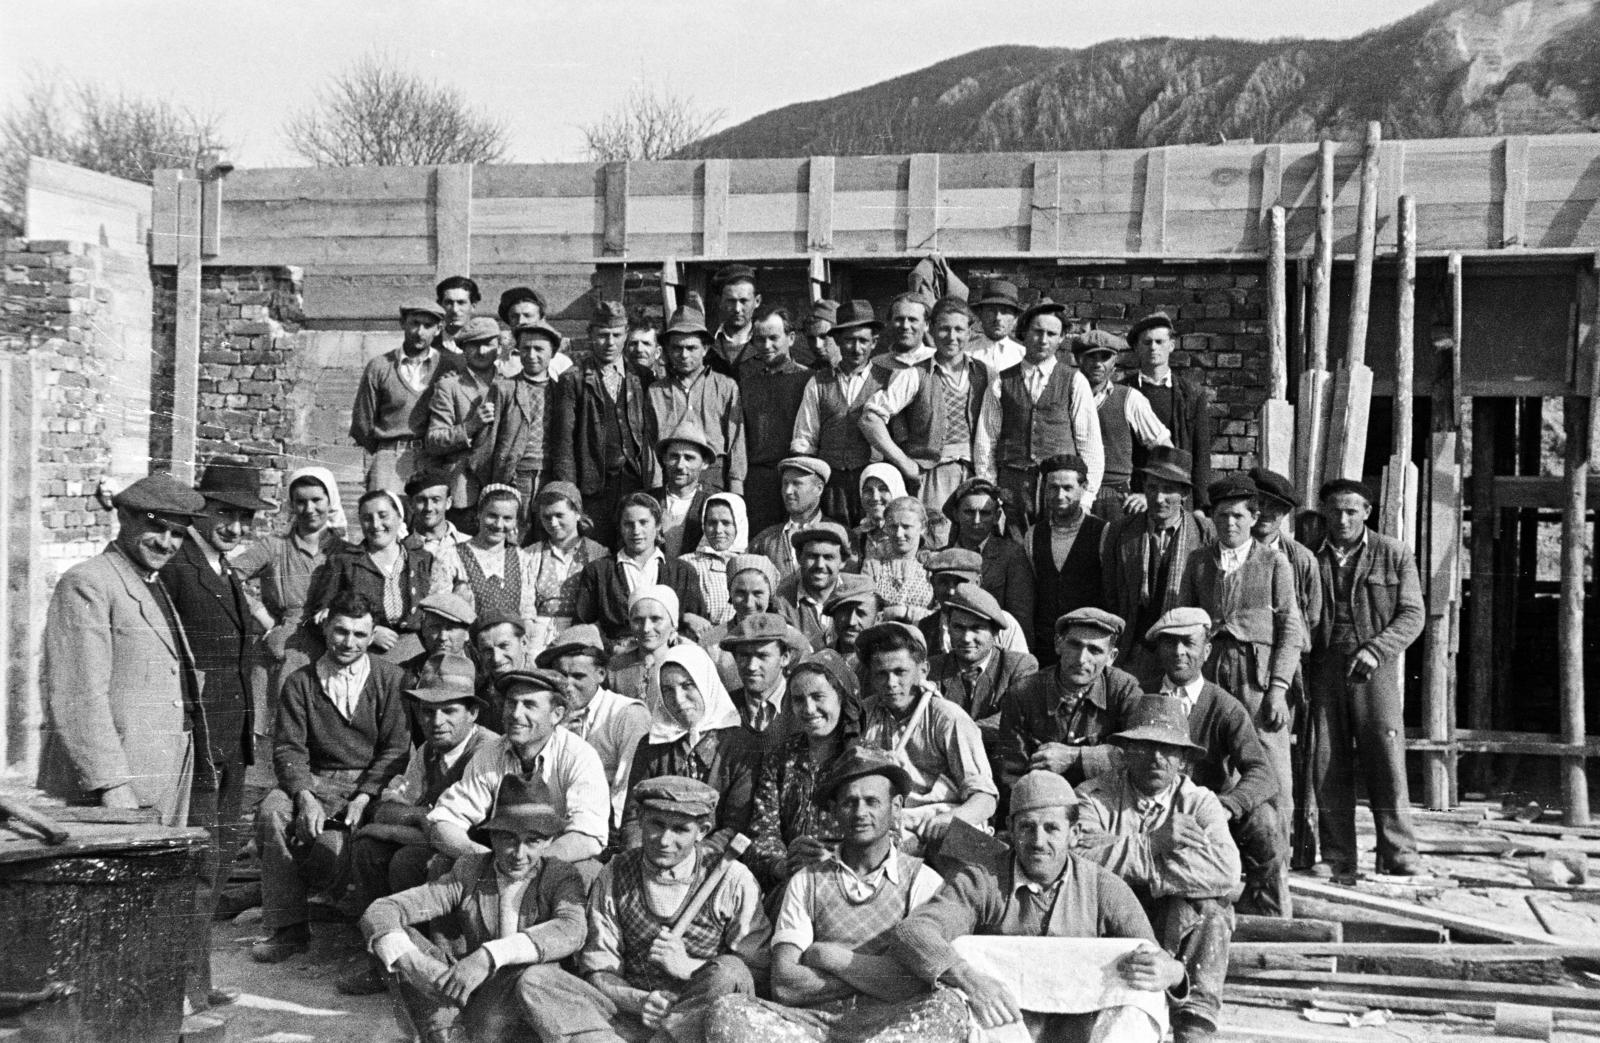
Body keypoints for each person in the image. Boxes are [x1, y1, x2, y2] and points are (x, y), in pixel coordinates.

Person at [890, 770, 1185, 1043]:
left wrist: (1172, 971)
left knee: (1141, 989)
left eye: (1051, 828)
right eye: (1027, 827)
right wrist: (969, 978)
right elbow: (913, 932)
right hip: (1007, 1026)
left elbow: (1154, 956)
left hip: (1082, 1031)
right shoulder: (983, 880)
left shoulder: (1103, 887)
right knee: (959, 967)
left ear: (1075, 833)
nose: (1038, 841)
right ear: (1010, 829)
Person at [705, 747, 964, 1043]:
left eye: (872, 802)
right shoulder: (807, 880)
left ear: (896, 807)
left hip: (890, 1025)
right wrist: (881, 975)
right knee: (728, 1012)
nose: (860, 813)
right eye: (849, 802)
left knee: (949, 1009)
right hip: (812, 1026)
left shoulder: (923, 879)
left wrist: (829, 956)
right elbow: (786, 985)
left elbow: (916, 983)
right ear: (833, 810)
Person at [359, 774, 599, 1043]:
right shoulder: (471, 871)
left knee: (532, 976)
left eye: (532, 841)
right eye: (508, 838)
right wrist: (414, 964)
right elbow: (381, 910)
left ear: (548, 841)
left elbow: (570, 929)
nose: (519, 854)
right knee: (392, 940)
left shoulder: (559, 875)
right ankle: (445, 1034)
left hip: (530, 1005)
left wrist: (489, 955)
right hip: (478, 997)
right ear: (493, 837)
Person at [160, 463, 271, 1012]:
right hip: (201, 740)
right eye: (225, 513)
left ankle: (194, 983)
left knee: (219, 862)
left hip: (231, 740)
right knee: (197, 866)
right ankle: (179, 988)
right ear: (201, 509)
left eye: (244, 517)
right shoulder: (180, 567)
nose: (235, 526)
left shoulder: (224, 570)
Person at [37, 473, 208, 824]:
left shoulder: (150, 582)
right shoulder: (88, 583)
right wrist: (111, 783)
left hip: (162, 768)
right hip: (117, 782)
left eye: (177, 533)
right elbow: (79, 694)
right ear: (124, 518)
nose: (166, 543)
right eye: (157, 528)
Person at [255, 590, 411, 962]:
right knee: (271, 813)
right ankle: (288, 928)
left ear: (372, 635)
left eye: (360, 635)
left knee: (342, 850)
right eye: (341, 632)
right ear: (326, 629)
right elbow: (289, 748)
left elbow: (396, 749)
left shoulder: (391, 678)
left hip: (370, 785)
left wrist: (364, 795)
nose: (349, 643)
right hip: (318, 780)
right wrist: (304, 794)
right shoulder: (301, 682)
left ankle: (367, 932)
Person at [1077, 696, 1241, 1043]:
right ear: (1126, 751)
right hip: (1108, 920)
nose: (1156, 758)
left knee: (1213, 910)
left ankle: (1194, 1024)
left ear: (1183, 760)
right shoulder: (1094, 797)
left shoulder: (1200, 803)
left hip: (1171, 919)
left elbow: (1224, 871)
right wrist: (1152, 843)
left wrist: (1136, 865)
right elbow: (1078, 860)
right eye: (1145, 746)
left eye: (1168, 749)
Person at [340, 651, 498, 996]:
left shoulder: (487, 751)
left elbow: (453, 833)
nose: (437, 721)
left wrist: (410, 820)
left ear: (472, 712)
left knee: (407, 860)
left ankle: (435, 964)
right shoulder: (428, 750)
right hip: (432, 841)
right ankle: (384, 960)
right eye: (427, 711)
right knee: (368, 847)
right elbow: (388, 809)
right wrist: (414, 818)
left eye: (449, 710)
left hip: (474, 855)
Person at [579, 777, 772, 1043]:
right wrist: (640, 1001)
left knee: (729, 969)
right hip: (632, 1016)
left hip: (701, 1021)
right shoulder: (615, 872)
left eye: (680, 829)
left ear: (702, 830)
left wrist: (689, 968)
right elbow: (599, 969)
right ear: (640, 818)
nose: (665, 840)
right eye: (657, 824)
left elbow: (755, 975)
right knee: (537, 981)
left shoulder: (733, 879)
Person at [1179, 473, 1304, 860]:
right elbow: (1184, 621)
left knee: (1270, 769)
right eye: (1221, 516)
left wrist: (1279, 688)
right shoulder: (1199, 563)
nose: (1229, 524)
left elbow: (1291, 627)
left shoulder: (1274, 563)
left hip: (1257, 678)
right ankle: (1218, 858)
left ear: (1253, 517)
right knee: (1208, 763)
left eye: (1237, 516)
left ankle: (1274, 860)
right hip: (1211, 673)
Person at [1309, 478, 1426, 878]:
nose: (1342, 519)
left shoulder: (1392, 554)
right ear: (1324, 511)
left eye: (1351, 511)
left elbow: (1413, 614)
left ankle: (1399, 852)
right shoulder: (1310, 554)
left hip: (1373, 670)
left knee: (1386, 757)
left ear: (1367, 513)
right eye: (1335, 511)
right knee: (1327, 762)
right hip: (1325, 667)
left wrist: (1376, 649)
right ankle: (1338, 856)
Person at [1144, 608, 1285, 916]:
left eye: (1188, 643)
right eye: (1169, 643)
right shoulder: (1143, 697)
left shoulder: (1224, 706)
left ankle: (1264, 908)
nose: (1179, 652)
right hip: (1151, 815)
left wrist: (1227, 806)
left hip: (1208, 819)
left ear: (1206, 650)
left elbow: (1262, 772)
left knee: (1264, 820)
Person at [428, 666, 611, 884]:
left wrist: (529, 863)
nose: (516, 714)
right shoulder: (490, 755)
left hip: (553, 859)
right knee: (439, 862)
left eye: (529, 705)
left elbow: (588, 836)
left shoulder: (579, 756)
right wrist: (481, 858)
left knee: (587, 872)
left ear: (557, 714)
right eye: (511, 703)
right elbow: (444, 821)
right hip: (502, 857)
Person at [860, 296, 994, 548]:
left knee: (976, 541)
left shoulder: (984, 373)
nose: (951, 336)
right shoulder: (915, 373)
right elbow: (870, 417)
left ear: (970, 333)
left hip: (975, 473)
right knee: (935, 540)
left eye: (959, 330)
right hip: (934, 474)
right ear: (931, 330)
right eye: (944, 328)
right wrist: (904, 462)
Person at [856, 621, 997, 856]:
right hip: (891, 828)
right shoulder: (864, 715)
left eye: (900, 672)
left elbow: (985, 799)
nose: (891, 683)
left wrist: (948, 819)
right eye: (882, 674)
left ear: (922, 671)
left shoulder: (948, 718)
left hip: (944, 825)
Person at [1248, 466, 1323, 866]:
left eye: (1274, 509)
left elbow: (1307, 623)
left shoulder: (1299, 560)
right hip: (1236, 672)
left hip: (1283, 676)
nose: (1264, 514)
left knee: (1280, 767)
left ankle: (1285, 852)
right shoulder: (1227, 548)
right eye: (1258, 504)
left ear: (1285, 515)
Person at [620, 643, 758, 857]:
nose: (678, 698)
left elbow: (736, 824)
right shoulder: (651, 745)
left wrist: (692, 860)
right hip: (656, 856)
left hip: (714, 861)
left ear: (706, 684)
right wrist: (642, 858)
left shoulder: (740, 747)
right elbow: (633, 817)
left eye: (687, 685)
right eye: (667, 689)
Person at [976, 298, 1104, 523]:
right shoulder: (1001, 381)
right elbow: (986, 441)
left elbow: (1089, 444)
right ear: (1024, 331)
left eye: (1052, 334)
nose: (1043, 340)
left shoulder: (1074, 380)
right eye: (1037, 331)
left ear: (1062, 338)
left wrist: (1086, 497)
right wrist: (991, 491)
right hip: (1012, 489)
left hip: (1060, 490)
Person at [230, 465, 351, 702]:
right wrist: (261, 614)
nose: (309, 509)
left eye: (317, 500)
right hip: (282, 647)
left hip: (329, 647)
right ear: (292, 504)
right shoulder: (275, 545)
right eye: (301, 502)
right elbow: (227, 575)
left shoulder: (344, 550)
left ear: (330, 500)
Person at [747, 650, 864, 892]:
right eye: (799, 699)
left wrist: (833, 859)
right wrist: (781, 865)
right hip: (792, 882)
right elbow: (763, 830)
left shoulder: (867, 760)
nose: (809, 709)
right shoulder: (780, 758)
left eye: (818, 696)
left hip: (852, 882)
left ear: (841, 697)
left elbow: (889, 835)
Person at [1103, 449, 1215, 686]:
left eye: (1168, 490)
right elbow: (1110, 595)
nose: (1158, 498)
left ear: (1184, 493)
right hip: (1135, 649)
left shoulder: (1204, 533)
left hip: (1182, 651)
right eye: (1152, 488)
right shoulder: (1122, 531)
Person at [998, 608, 1143, 790]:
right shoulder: (1023, 693)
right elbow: (1011, 774)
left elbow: (1141, 755)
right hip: (1044, 802)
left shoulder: (1124, 690)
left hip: (1106, 802)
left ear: (1111, 657)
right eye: (1075, 645)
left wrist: (1074, 757)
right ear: (1058, 644)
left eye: (1095, 650)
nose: (1082, 659)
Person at [551, 298, 652, 547]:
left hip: (634, 480)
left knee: (633, 547)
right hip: (593, 485)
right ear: (590, 335)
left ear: (626, 335)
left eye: (617, 335)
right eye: (602, 335)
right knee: (595, 550)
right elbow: (564, 443)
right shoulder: (573, 379)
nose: (610, 343)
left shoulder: (642, 377)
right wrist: (570, 497)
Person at [537, 624, 650, 829]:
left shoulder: (626, 714)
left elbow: (626, 791)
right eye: (561, 676)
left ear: (600, 674)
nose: (568, 686)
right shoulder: (545, 715)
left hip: (604, 830)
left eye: (578, 676)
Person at [791, 301, 886, 526]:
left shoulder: (887, 380)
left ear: (874, 342)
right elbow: (805, 439)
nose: (856, 348)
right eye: (849, 340)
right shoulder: (818, 382)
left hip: (873, 482)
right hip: (831, 482)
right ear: (838, 341)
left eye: (863, 341)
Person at [923, 583, 1037, 765]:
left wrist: (957, 733)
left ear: (995, 632)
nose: (966, 638)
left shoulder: (1020, 666)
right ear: (949, 628)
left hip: (1002, 767)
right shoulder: (932, 669)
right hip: (946, 765)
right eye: (958, 627)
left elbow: (1013, 719)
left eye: (976, 628)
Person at [350, 301, 456, 493]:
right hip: (390, 457)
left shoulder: (448, 367)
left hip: (431, 458)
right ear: (403, 323)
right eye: (414, 323)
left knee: (428, 517)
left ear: (439, 329)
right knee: (385, 516)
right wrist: (385, 451)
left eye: (428, 326)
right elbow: (362, 423)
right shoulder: (380, 366)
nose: (420, 332)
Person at [576, 492, 707, 642]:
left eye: (643, 522)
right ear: (619, 527)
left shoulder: (683, 571)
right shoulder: (598, 571)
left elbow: (697, 625)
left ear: (657, 525)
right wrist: (612, 648)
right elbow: (583, 626)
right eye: (628, 524)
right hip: (617, 658)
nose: (636, 531)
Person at [1075, 330, 1172, 524]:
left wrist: (1148, 495)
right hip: (1071, 495)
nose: (1098, 363)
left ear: (1114, 361)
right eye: (1091, 357)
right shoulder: (1066, 396)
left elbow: (1165, 449)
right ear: (1079, 360)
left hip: (1114, 498)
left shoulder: (1129, 398)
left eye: (1105, 357)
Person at [648, 305, 746, 495]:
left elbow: (736, 439)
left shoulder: (725, 386)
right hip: (672, 472)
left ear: (705, 349)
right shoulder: (657, 391)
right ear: (667, 349)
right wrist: (655, 487)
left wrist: (736, 484)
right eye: (676, 348)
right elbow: (651, 443)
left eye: (691, 348)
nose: (684, 355)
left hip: (714, 473)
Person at [1024, 454, 1107, 663]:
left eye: (1068, 488)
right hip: (1046, 647)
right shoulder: (1033, 535)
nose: (1059, 495)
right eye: (1053, 488)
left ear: (1083, 487)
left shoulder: (1102, 532)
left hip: (1087, 648)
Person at [1126, 313, 1212, 511]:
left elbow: (1201, 455)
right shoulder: (1124, 392)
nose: (1153, 347)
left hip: (1177, 495)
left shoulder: (1191, 394)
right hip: (1135, 497)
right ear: (1137, 348)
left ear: (1171, 346)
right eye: (1147, 342)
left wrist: (1201, 506)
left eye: (1159, 341)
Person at [740, 306, 814, 534]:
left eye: (774, 338)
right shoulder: (747, 382)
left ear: (790, 338)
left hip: (795, 474)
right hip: (759, 479)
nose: (766, 346)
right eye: (760, 340)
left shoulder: (807, 378)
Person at [426, 315, 505, 527]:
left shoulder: (510, 383)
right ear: (463, 349)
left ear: (499, 347)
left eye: (488, 343)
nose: (481, 351)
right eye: (473, 345)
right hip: (464, 487)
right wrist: (470, 426)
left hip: (502, 486)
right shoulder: (449, 386)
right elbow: (434, 440)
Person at [488, 320, 563, 525]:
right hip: (515, 473)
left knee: (547, 529)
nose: (531, 356)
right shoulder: (504, 388)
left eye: (539, 349)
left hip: (551, 474)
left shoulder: (562, 390)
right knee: (516, 531)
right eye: (525, 348)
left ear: (553, 353)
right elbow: (491, 439)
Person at [433, 485, 537, 627]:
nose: (499, 524)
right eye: (492, 516)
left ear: (515, 522)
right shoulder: (451, 556)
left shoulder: (522, 558)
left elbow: (526, 612)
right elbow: (439, 609)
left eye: (507, 518)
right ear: (479, 514)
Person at [523, 481, 609, 653]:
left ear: (577, 513)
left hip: (581, 630)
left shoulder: (598, 553)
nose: (553, 523)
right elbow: (526, 602)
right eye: (547, 517)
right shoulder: (531, 554)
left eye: (559, 515)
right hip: (539, 630)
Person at [942, 476, 1034, 630]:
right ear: (956, 514)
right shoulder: (942, 557)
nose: (976, 520)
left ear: (996, 516)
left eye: (985, 513)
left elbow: (1020, 619)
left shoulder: (1011, 556)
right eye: (969, 512)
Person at [721, 612, 811, 759]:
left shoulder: (806, 706)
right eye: (744, 655)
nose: (751, 666)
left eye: (762, 656)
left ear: (785, 658)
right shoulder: (725, 708)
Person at [917, 548, 1030, 656]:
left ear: (978, 582)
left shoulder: (1004, 624)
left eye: (960, 582)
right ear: (933, 583)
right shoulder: (924, 628)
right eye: (943, 582)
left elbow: (1020, 671)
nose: (951, 591)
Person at [749, 455, 833, 582]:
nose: (788, 491)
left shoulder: (838, 536)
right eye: (785, 483)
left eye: (797, 484)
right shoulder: (763, 541)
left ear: (819, 489)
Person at [607, 585, 688, 710]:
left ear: (673, 623)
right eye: (638, 620)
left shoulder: (687, 664)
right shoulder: (615, 668)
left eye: (656, 619)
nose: (646, 628)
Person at [649, 423, 722, 559]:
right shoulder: (648, 500)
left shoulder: (712, 504)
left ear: (704, 463)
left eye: (689, 458)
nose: (680, 465)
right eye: (674, 457)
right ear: (664, 459)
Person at [857, 497, 934, 620]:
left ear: (923, 527)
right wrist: (891, 614)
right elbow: (863, 613)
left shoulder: (932, 566)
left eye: (906, 527)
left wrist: (906, 613)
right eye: (893, 527)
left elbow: (942, 615)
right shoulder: (873, 566)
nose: (899, 534)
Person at [777, 522, 851, 650]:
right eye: (812, 556)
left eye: (829, 557)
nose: (820, 565)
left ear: (843, 561)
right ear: (799, 557)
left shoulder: (858, 596)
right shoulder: (780, 601)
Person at [683, 492, 750, 625]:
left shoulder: (752, 564)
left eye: (726, 523)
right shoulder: (686, 564)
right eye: (712, 523)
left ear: (739, 524)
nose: (718, 530)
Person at [471, 609, 533, 729]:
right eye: (487, 650)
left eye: (504, 646)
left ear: (524, 643)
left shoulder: (548, 687)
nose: (497, 658)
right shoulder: (477, 694)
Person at [709, 263, 761, 378]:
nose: (737, 309)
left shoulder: (767, 343)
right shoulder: (707, 344)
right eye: (731, 301)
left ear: (757, 301)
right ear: (719, 302)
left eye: (744, 301)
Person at [404, 469, 469, 559]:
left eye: (436, 500)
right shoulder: (403, 550)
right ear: (411, 504)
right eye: (421, 500)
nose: (429, 508)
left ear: (448, 502)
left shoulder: (469, 543)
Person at [850, 463, 907, 563]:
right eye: (868, 490)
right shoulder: (853, 538)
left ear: (896, 491)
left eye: (883, 489)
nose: (875, 497)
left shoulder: (910, 536)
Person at [968, 278, 1024, 373]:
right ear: (980, 314)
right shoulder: (966, 353)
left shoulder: (1023, 355)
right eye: (991, 310)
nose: (998, 317)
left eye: (1005, 311)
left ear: (1015, 318)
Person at [822, 574, 879, 663]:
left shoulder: (886, 662)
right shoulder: (821, 659)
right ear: (834, 616)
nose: (851, 622)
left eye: (861, 613)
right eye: (844, 612)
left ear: (877, 619)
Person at [873, 293, 934, 370]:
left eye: (912, 320)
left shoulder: (939, 361)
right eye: (899, 319)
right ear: (889, 323)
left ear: (926, 325)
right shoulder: (876, 366)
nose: (905, 326)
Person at [436, 274, 480, 352]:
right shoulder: (429, 347)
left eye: (461, 302)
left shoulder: (487, 346)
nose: (455, 310)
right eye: (449, 303)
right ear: (440, 306)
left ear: (473, 306)